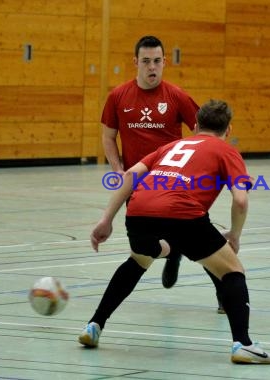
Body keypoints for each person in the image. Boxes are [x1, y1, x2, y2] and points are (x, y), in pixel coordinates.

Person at [79, 99, 270, 364]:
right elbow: (241, 200)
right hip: (182, 214)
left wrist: (106, 220)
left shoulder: (171, 146)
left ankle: (95, 325)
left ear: (195, 126)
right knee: (232, 272)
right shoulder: (225, 150)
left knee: (138, 261)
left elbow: (130, 175)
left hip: (139, 212)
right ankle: (243, 344)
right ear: (228, 130)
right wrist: (234, 235)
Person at [100, 35, 224, 312]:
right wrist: (118, 170)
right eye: (146, 62)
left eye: (157, 61)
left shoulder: (177, 96)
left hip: (173, 182)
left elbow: (204, 134)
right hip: (139, 184)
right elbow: (108, 137)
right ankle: (172, 251)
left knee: (202, 242)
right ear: (136, 62)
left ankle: (222, 295)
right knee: (141, 247)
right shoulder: (117, 96)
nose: (152, 67)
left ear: (164, 62)